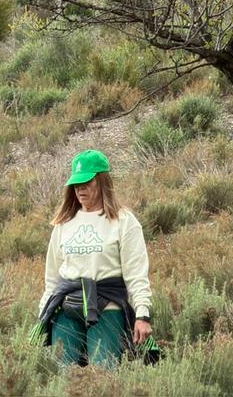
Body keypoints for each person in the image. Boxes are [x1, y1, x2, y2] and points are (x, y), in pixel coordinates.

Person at [38, 151, 153, 368]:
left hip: (107, 309)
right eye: (76, 183)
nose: (80, 188)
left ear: (102, 181)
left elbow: (136, 273)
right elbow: (52, 277)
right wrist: (43, 314)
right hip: (67, 309)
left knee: (103, 374)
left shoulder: (124, 222)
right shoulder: (64, 223)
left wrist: (142, 314)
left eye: (86, 182)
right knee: (62, 375)